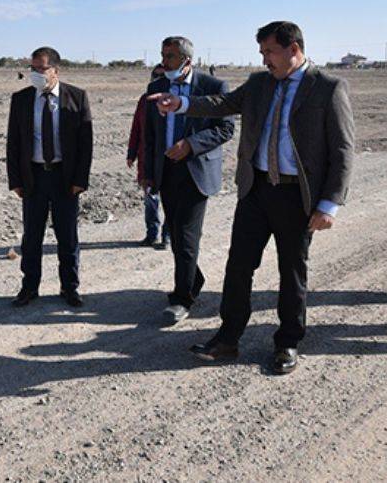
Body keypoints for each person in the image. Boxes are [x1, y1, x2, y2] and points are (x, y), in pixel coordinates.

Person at [149, 21, 355, 375]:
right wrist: (180, 103)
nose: (265, 60)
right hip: (255, 190)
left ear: (294, 49)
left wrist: (329, 203)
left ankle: (287, 342)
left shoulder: (327, 88)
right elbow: (222, 103)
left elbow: (343, 150)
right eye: (262, 53)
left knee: (291, 271)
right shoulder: (260, 83)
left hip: (296, 195)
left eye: (270, 52)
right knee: (239, 266)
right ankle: (228, 338)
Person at [142, 37, 234, 324]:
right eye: (162, 55)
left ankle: (183, 298)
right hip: (167, 171)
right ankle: (193, 279)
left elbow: (226, 128)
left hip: (196, 170)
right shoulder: (156, 88)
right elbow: (151, 134)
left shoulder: (212, 87)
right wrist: (147, 172)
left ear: (187, 61)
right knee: (178, 233)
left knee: (187, 235)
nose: (164, 61)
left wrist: (190, 145)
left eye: (170, 56)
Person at [6, 47, 94, 308]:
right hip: (33, 178)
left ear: (56, 70)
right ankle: (29, 288)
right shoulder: (21, 99)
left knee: (67, 237)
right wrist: (16, 181)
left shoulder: (76, 97)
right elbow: (13, 143)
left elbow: (85, 144)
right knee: (31, 236)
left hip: (64, 179)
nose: (36, 74)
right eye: (32, 69)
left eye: (41, 69)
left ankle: (70, 288)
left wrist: (80, 180)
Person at [127, 65, 170, 249]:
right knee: (150, 199)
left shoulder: (174, 100)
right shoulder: (145, 101)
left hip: (169, 159)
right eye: (156, 76)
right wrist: (131, 153)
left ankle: (167, 236)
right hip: (147, 160)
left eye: (163, 76)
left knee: (169, 200)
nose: (158, 79)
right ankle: (151, 234)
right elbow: (137, 127)